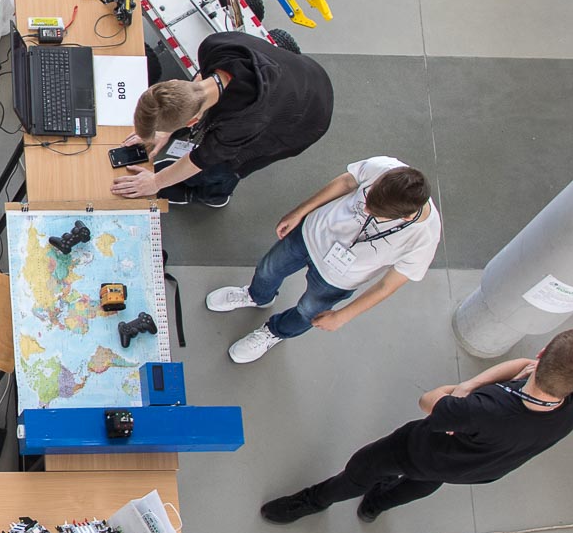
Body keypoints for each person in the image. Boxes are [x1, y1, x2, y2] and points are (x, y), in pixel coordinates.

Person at [262, 325, 573, 524]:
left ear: (542, 353)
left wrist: (462, 390)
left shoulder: (483, 411)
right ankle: (374, 506)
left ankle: (315, 500)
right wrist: (471, 388)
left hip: (421, 450)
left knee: (361, 469)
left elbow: (428, 400)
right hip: (475, 466)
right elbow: (522, 366)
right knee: (425, 482)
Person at [209, 159, 441, 364]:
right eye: (368, 199)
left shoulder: (424, 238)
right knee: (267, 269)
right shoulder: (385, 168)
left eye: (375, 211)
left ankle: (274, 332)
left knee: (307, 312)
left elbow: (387, 286)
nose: (365, 208)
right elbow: (346, 182)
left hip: (336, 278)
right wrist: (300, 211)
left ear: (406, 217)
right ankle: (257, 296)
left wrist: (343, 316)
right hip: (309, 235)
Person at [109, 31, 334, 208]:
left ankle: (214, 195)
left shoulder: (241, 124)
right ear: (174, 83)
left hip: (307, 117)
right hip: (302, 72)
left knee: (228, 165)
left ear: (192, 122)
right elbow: (198, 82)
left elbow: (200, 160)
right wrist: (163, 131)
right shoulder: (214, 46)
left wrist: (156, 182)